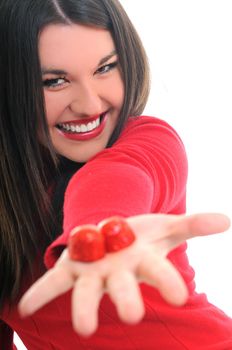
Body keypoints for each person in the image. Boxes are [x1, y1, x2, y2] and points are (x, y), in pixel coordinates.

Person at [0, 0, 232, 349]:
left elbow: (115, 178)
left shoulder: (150, 140)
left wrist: (100, 236)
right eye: (54, 81)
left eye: (105, 68)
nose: (90, 105)